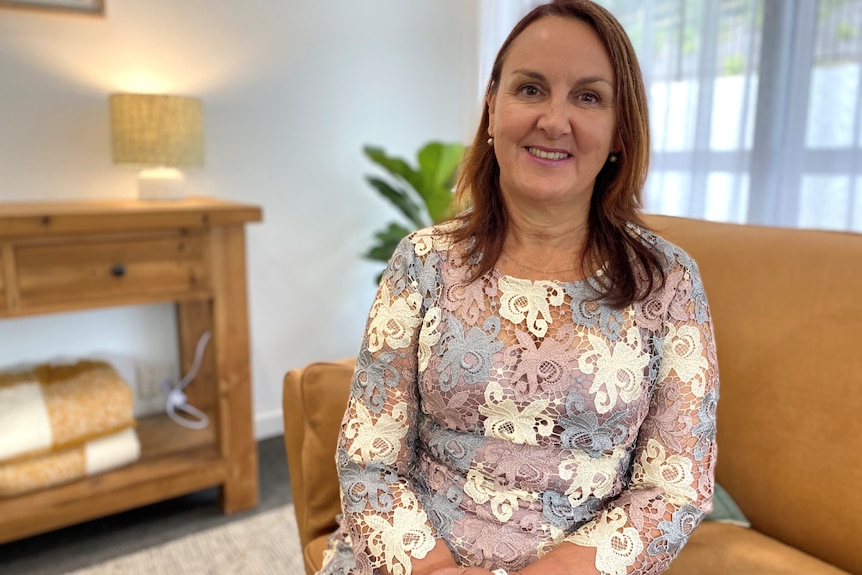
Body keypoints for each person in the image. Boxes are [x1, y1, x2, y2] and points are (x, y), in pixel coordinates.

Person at [319, 1, 719, 574]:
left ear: (619, 133)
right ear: (492, 108)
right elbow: (369, 460)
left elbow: (673, 487)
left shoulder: (668, 281)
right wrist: (436, 570)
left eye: (588, 97)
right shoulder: (422, 262)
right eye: (530, 89)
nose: (554, 121)